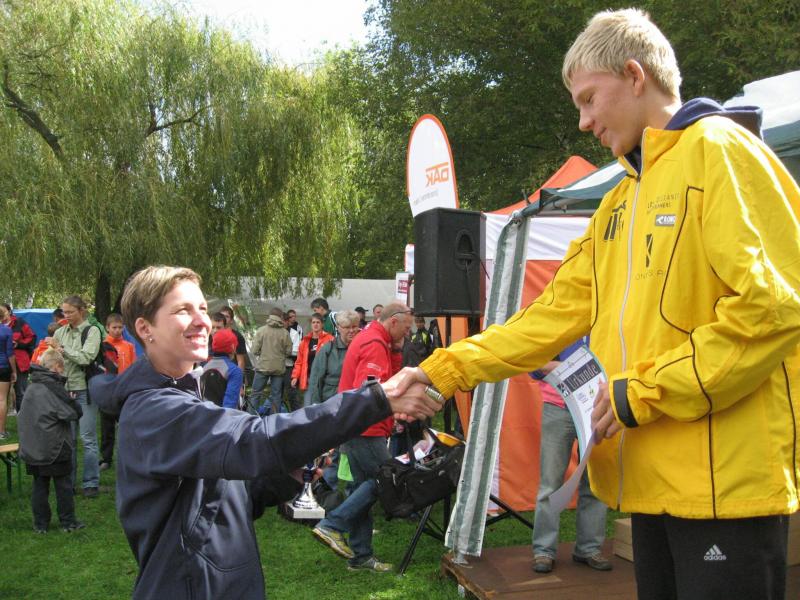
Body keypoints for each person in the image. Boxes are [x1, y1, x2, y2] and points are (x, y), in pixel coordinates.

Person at [386, 9, 800, 600]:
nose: (583, 122)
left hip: (725, 492)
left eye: (588, 99)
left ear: (634, 75)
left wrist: (642, 391)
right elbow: (545, 320)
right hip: (652, 489)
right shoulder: (618, 203)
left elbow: (773, 309)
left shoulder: (721, 150)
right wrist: (440, 369)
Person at [89, 265, 441, 599]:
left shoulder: (187, 393)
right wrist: (377, 399)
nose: (201, 321)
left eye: (202, 308)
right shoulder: (154, 411)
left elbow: (221, 501)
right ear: (145, 328)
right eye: (183, 310)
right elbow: (253, 439)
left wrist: (284, 477)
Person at [313, 301, 414, 572]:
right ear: (393, 321)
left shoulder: (376, 340)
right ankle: (332, 524)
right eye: (405, 329)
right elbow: (369, 390)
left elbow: (386, 379)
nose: (407, 334)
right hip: (366, 429)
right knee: (386, 480)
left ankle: (361, 556)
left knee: (363, 488)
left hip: (356, 427)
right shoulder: (374, 344)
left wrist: (396, 351)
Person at [530, 337, 610, 574]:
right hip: (558, 407)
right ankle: (543, 551)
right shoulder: (557, 326)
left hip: (596, 408)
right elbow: (533, 364)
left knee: (595, 482)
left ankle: (589, 548)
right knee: (550, 483)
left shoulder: (606, 325)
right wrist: (565, 369)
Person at [17, 349, 84, 533]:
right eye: (62, 368)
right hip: (54, 445)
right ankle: (68, 522)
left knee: (39, 485)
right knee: (63, 485)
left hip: (33, 446)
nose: (62, 371)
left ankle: (40, 525)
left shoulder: (31, 385)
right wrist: (71, 400)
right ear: (56, 366)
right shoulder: (54, 387)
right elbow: (73, 413)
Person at [48, 295, 102, 497]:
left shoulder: (92, 331)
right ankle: (68, 483)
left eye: (70, 312)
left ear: (81, 311)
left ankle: (91, 483)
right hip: (64, 391)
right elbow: (54, 360)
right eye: (64, 312)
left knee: (88, 438)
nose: (66, 315)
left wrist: (61, 349)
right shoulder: (60, 331)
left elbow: (86, 357)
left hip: (84, 390)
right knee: (67, 440)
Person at [307, 309, 361, 487]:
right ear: (338, 327)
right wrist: (315, 409)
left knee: (352, 449)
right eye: (347, 327)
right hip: (331, 406)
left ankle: (352, 487)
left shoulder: (362, 348)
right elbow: (315, 381)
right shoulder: (327, 350)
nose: (352, 330)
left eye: (355, 326)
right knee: (332, 450)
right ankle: (327, 488)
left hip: (355, 406)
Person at [99, 313, 136, 471]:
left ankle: (128, 456)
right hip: (108, 390)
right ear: (107, 328)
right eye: (114, 327)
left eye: (120, 327)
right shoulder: (102, 345)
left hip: (125, 390)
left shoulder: (129, 346)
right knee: (107, 427)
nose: (117, 330)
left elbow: (133, 367)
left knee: (126, 424)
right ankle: (106, 458)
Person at [249, 308, 292, 415]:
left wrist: (263, 354)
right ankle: (275, 419)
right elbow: (289, 352)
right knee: (276, 395)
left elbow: (254, 350)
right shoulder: (285, 333)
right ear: (281, 317)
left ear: (269, 316)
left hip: (263, 367)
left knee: (255, 394)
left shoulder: (261, 330)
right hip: (278, 368)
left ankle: (251, 417)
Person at [291, 313, 334, 408]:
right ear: (311, 324)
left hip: (324, 379)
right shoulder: (305, 341)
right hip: (309, 378)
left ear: (322, 324)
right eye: (313, 322)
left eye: (318, 322)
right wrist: (295, 376)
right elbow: (299, 361)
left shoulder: (330, 339)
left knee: (322, 407)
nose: (315, 324)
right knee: (307, 406)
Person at [2, 303, 36, 413]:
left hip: (20, 363)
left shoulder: (20, 322)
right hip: (3, 364)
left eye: (4, 311)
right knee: (2, 395)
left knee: (21, 392)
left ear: (9, 311)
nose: (2, 314)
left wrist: (19, 344)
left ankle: (23, 417)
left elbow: (32, 337)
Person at [201, 328, 243, 409]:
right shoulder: (234, 371)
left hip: (204, 412)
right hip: (223, 415)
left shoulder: (204, 367)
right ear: (233, 347)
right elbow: (229, 404)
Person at [0, 305, 17, 440]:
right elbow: (10, 353)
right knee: (2, 399)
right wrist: (14, 371)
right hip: (3, 367)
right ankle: (1, 432)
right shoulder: (6, 330)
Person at [218, 305, 248, 373]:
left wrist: (238, 377)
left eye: (227, 316)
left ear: (231, 320)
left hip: (230, 373)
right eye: (222, 316)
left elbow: (240, 361)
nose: (224, 318)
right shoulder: (213, 334)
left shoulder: (237, 336)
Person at [283, 311, 302, 411]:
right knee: (276, 393)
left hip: (288, 366)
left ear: (287, 322)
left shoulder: (294, 333)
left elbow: (296, 351)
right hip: (276, 366)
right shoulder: (274, 332)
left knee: (292, 392)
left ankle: (297, 413)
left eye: (283, 321)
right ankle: (274, 413)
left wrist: (282, 352)